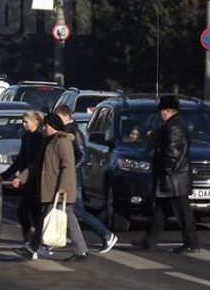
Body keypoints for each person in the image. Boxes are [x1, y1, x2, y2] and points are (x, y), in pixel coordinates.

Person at [14, 113, 89, 262]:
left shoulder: (63, 142)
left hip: (59, 190)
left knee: (48, 218)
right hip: (51, 188)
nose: (43, 128)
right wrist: (21, 178)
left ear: (53, 126)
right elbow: (36, 164)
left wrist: (63, 187)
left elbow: (67, 166)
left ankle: (32, 248)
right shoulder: (48, 142)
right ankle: (81, 251)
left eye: (46, 126)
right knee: (62, 219)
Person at [134, 95, 200, 253]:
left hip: (174, 179)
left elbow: (172, 153)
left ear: (168, 111)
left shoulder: (173, 127)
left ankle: (191, 243)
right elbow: (165, 141)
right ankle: (149, 241)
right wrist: (153, 136)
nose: (160, 114)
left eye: (163, 110)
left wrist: (166, 172)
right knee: (161, 211)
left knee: (183, 213)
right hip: (174, 178)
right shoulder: (172, 125)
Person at [54, 105, 118, 254]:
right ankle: (51, 241)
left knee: (76, 210)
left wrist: (70, 171)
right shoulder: (66, 131)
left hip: (73, 179)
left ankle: (106, 234)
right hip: (70, 178)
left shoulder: (73, 132)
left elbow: (83, 155)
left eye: (59, 118)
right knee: (67, 210)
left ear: (66, 117)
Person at [1, 110, 45, 246]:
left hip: (38, 180)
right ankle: (31, 241)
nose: (24, 125)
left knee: (32, 212)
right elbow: (21, 159)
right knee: (26, 211)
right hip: (28, 181)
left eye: (26, 122)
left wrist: (21, 177)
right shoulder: (26, 137)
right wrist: (4, 175)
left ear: (36, 122)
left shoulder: (40, 137)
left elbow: (37, 162)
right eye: (23, 122)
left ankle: (38, 242)